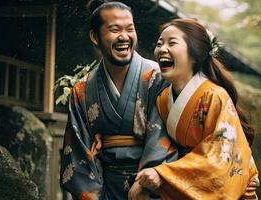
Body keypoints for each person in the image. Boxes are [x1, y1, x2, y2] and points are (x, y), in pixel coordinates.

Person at [60, 1, 177, 199]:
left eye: (130, 29)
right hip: (106, 189)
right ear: (95, 37)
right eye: (114, 30)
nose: (124, 36)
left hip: (152, 189)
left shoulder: (158, 78)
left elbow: (165, 138)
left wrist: (146, 184)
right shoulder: (82, 90)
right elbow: (77, 152)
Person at [133, 18, 260, 200]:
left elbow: (220, 158)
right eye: (159, 43)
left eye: (172, 43)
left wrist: (163, 174)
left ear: (195, 55)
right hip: (185, 184)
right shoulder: (162, 100)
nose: (161, 49)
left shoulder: (214, 96)